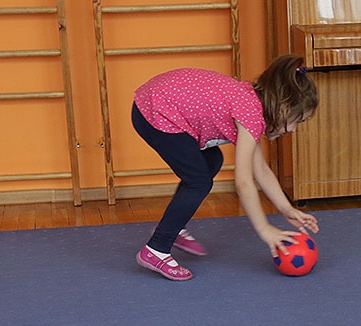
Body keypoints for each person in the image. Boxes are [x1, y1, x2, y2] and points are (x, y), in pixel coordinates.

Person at [131, 54, 320, 281]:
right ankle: (156, 249)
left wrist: (286, 209)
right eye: (297, 120)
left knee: (211, 162)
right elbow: (243, 182)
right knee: (199, 181)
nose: (293, 130)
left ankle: (172, 227)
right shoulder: (251, 113)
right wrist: (264, 229)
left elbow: (261, 170)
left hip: (159, 104)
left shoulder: (252, 105)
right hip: (156, 110)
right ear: (282, 106)